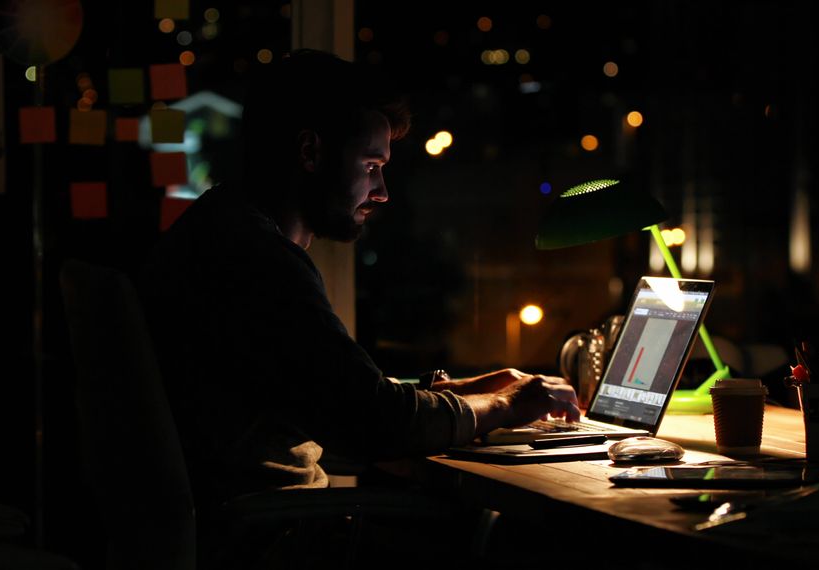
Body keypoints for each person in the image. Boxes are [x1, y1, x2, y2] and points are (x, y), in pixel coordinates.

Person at [139, 49, 579, 518]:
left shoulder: (219, 230)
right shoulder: (257, 262)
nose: (382, 191)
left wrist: (470, 393)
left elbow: (338, 401)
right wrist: (507, 405)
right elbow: (374, 424)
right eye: (371, 166)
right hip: (277, 536)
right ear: (310, 151)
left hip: (261, 525)